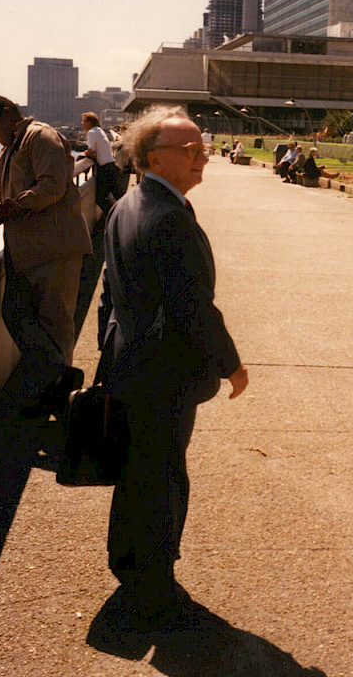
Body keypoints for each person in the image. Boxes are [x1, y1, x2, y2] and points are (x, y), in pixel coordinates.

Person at [98, 104, 249, 630]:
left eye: (201, 146)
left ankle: (130, 566)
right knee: (163, 478)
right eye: (191, 150)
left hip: (130, 362)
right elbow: (194, 308)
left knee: (137, 473)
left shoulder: (128, 204)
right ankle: (154, 589)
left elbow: (108, 293)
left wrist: (108, 350)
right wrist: (232, 366)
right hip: (162, 374)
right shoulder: (167, 217)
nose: (202, 156)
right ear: (155, 157)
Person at [0, 95, 92, 415]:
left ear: (9, 114)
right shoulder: (9, 148)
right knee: (15, 311)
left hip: (54, 247)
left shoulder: (40, 136)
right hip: (27, 250)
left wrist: (12, 206)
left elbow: (52, 186)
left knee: (55, 322)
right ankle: (60, 380)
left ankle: (62, 396)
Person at [82, 112, 122, 218]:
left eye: (83, 121)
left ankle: (113, 219)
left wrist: (86, 153)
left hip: (105, 170)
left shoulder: (91, 132)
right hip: (112, 167)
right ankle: (119, 218)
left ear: (89, 123)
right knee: (117, 197)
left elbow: (91, 152)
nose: (82, 123)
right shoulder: (99, 131)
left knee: (100, 199)